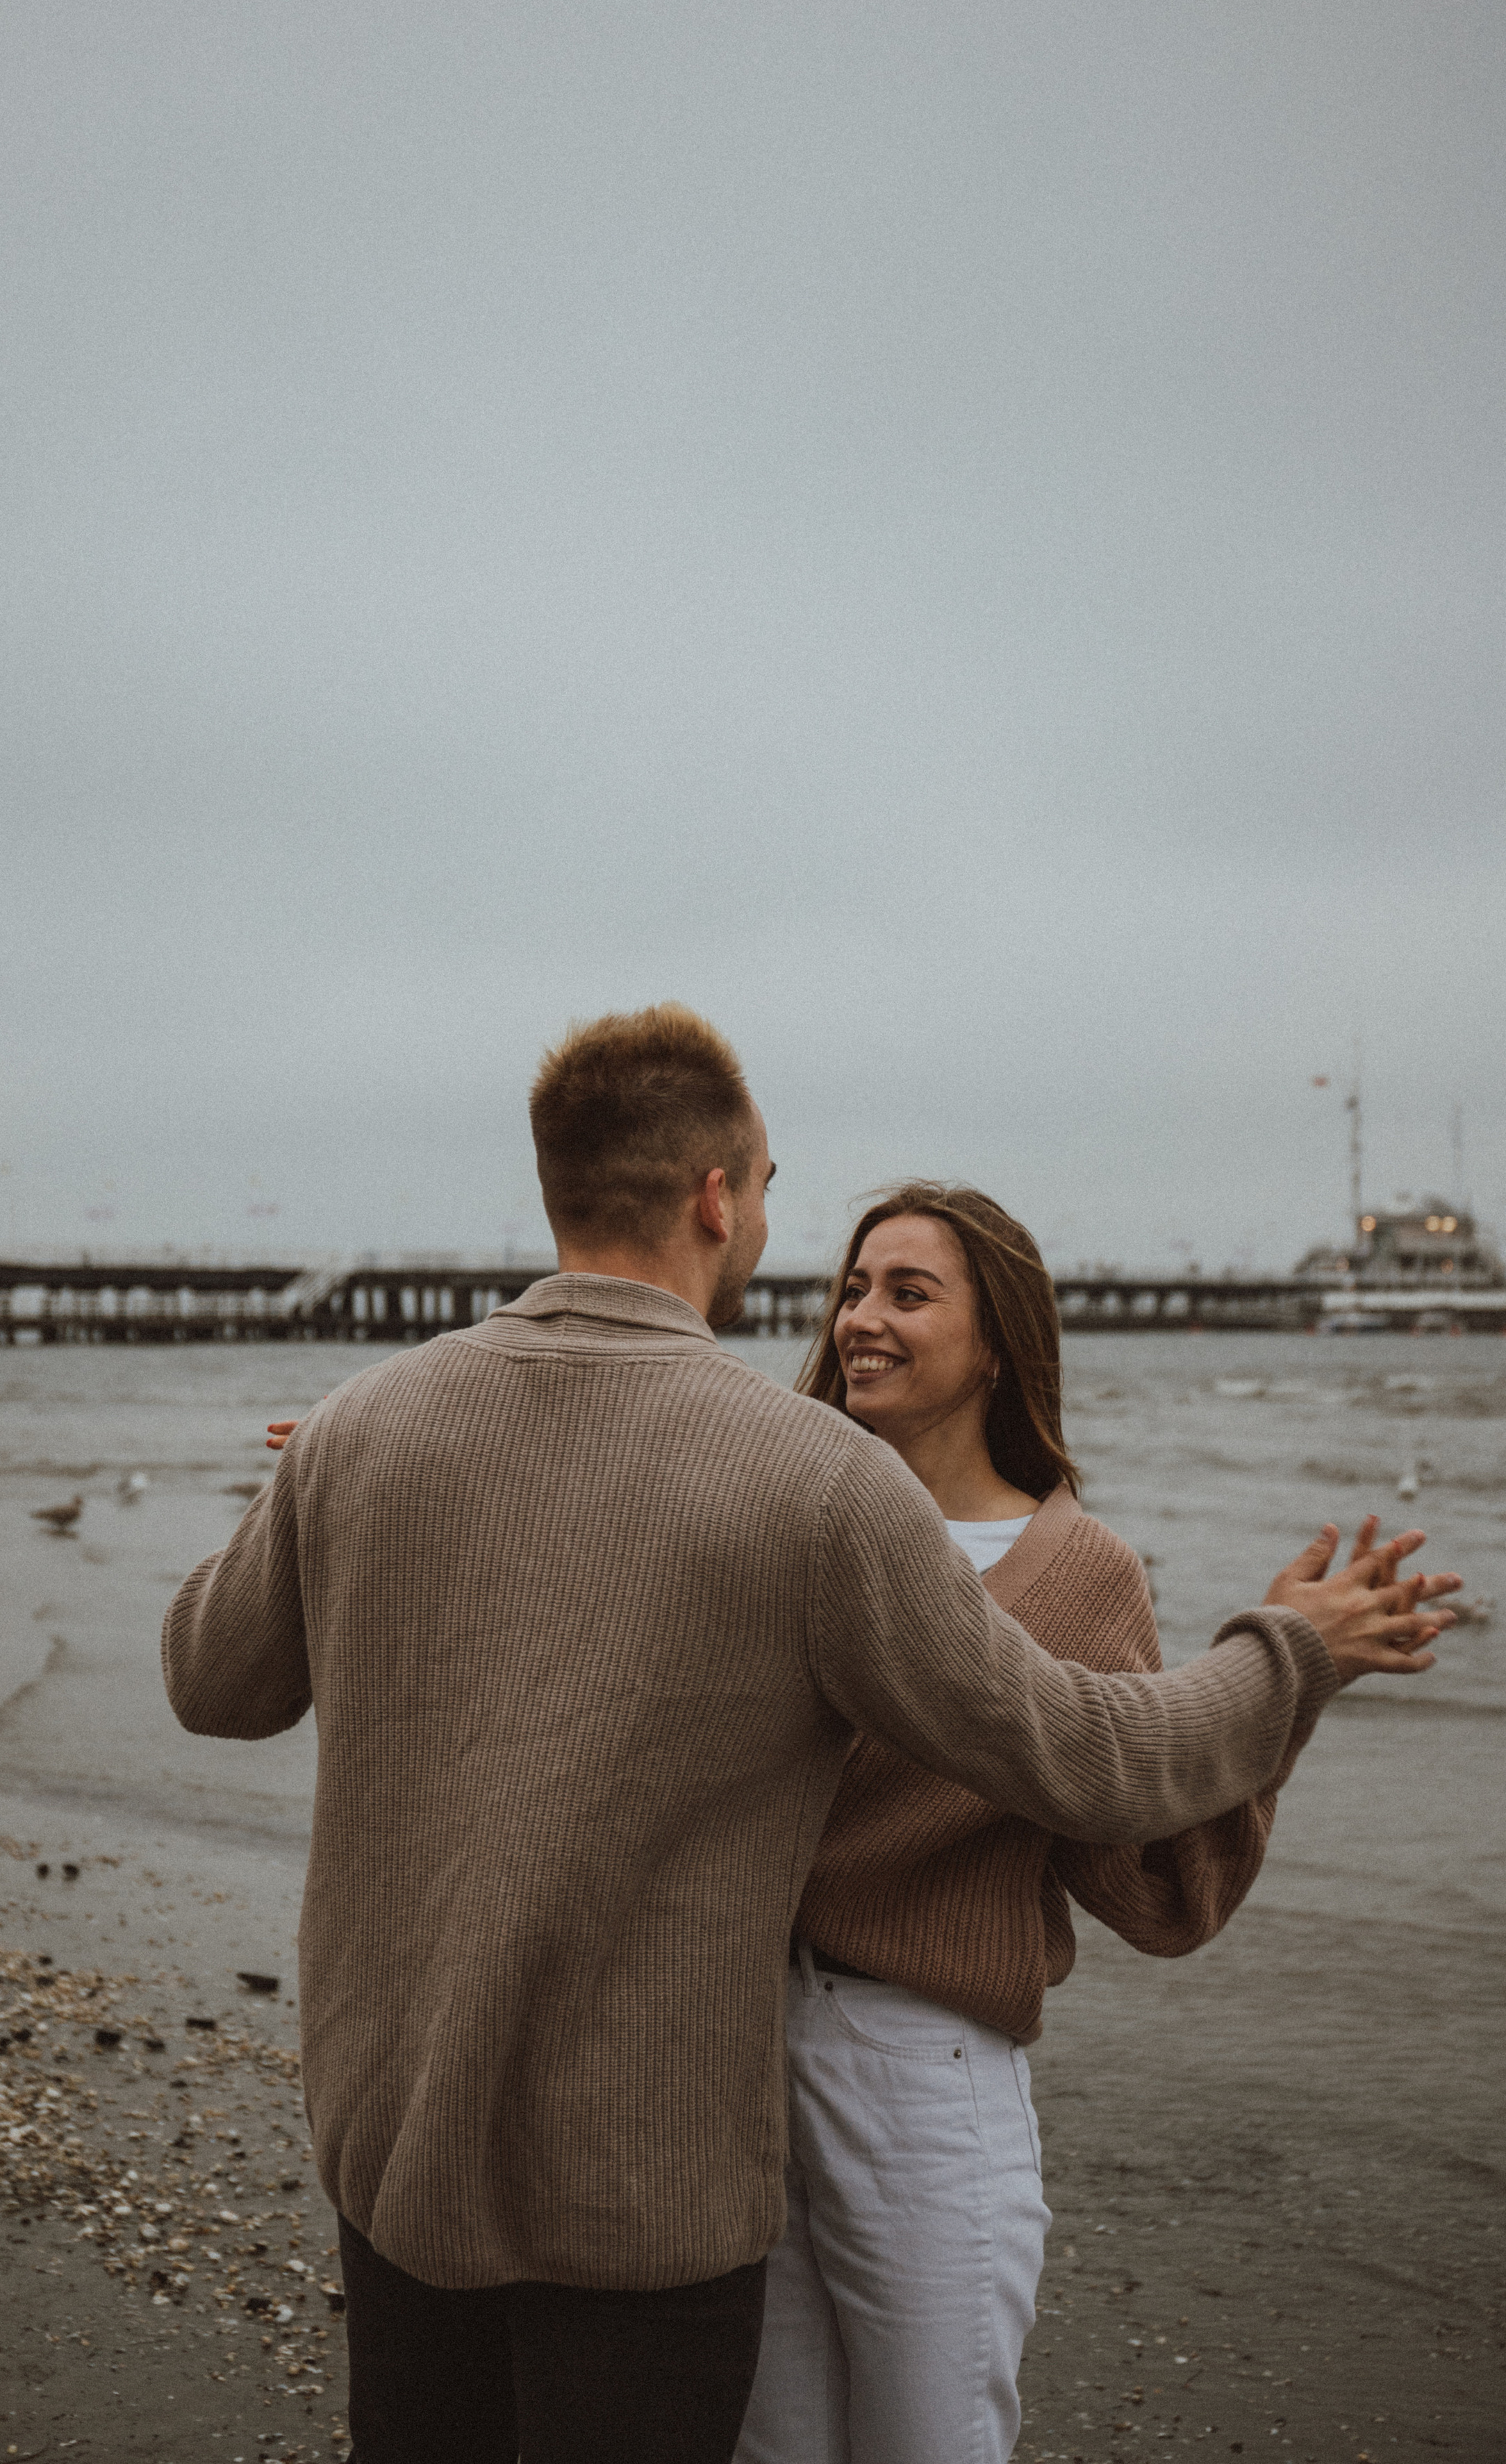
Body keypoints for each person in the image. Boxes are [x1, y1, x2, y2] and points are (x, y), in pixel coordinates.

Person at [163, 1004, 1455, 2464]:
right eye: (773, 1190)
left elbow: (209, 1680)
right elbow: (1085, 1754)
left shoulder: (367, 1422)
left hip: (396, 2159)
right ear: (717, 1199)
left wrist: (319, 1490)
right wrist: (1292, 1652)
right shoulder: (814, 1477)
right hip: (642, 2199)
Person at [735, 1183, 1337, 2464]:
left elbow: (1157, 1884)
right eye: (855, 1288)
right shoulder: (779, 1516)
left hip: (923, 2069)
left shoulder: (1077, 1571)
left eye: (909, 1294)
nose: (862, 1319)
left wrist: (1280, 1680)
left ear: (997, 1345)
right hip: (731, 2054)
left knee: (934, 2446)